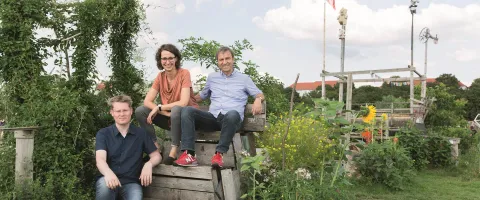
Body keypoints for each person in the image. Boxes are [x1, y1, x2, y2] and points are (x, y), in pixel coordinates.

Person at [174, 46, 265, 168]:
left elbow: (259, 94)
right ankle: (189, 154)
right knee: (187, 110)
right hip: (213, 118)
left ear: (233, 59)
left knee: (232, 114)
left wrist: (258, 99)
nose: (224, 62)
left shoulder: (244, 79)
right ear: (218, 62)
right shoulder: (212, 78)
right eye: (221, 59)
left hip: (232, 120)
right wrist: (183, 100)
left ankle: (219, 155)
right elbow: (202, 96)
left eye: (227, 58)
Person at [135, 44, 198, 165]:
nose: (167, 62)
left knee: (176, 110)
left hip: (186, 118)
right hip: (169, 117)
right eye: (164, 58)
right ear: (160, 60)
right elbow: (147, 101)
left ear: (176, 59)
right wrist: (164, 112)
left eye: (170, 58)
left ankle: (173, 152)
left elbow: (183, 102)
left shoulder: (184, 73)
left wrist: (159, 108)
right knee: (140, 111)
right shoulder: (160, 76)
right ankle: (155, 148)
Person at [95, 95, 162, 200]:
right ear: (112, 112)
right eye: (118, 111)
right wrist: (108, 173)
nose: (122, 114)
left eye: (125, 110)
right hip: (108, 180)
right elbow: (100, 160)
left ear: (131, 111)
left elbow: (156, 156)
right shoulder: (103, 134)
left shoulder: (141, 134)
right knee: (104, 185)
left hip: (131, 183)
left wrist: (149, 164)